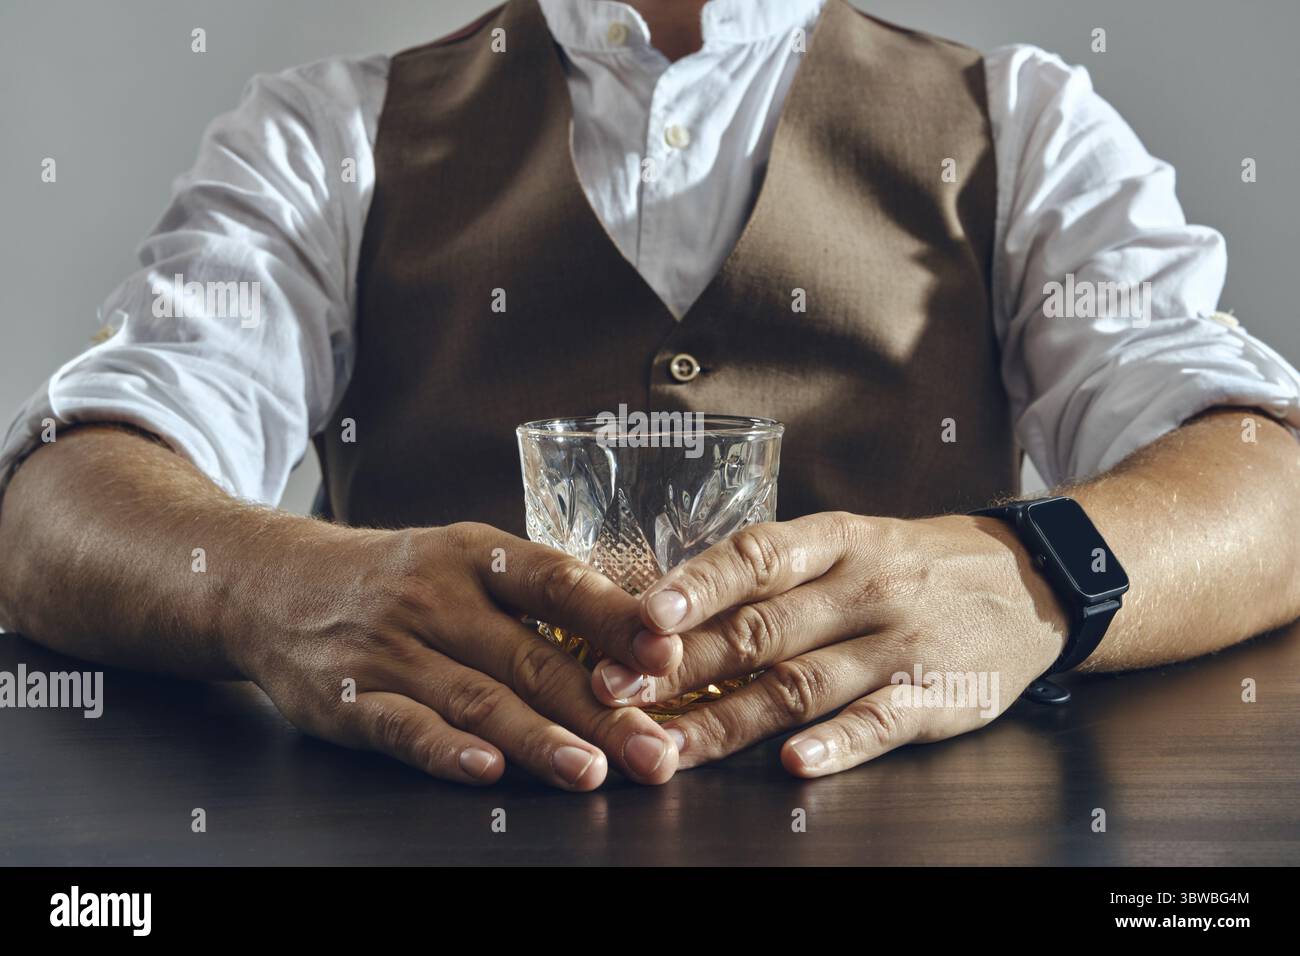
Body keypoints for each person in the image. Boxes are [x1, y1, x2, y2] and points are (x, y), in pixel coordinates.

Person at [2, 0, 1298, 792]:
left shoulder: (1022, 124)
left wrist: (1029, 572)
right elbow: (51, 510)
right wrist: (277, 585)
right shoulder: (326, 137)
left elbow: (1272, 474)